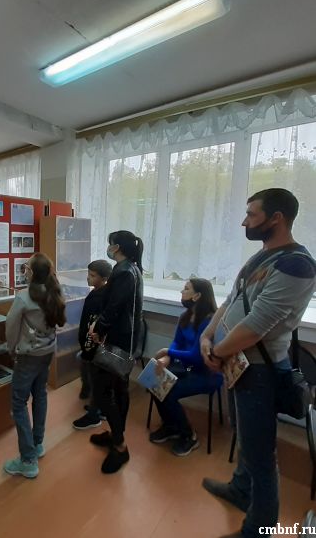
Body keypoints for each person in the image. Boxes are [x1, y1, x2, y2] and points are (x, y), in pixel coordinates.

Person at [199, 189, 316, 538]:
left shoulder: (297, 264)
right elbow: (230, 302)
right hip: (237, 364)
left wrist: (217, 353)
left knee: (262, 456)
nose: (244, 222)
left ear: (276, 218)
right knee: (245, 438)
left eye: (251, 214)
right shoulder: (260, 258)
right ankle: (240, 489)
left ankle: (258, 529)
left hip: (259, 371)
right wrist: (207, 336)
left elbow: (256, 326)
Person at [3, 253, 66, 479]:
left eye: (26, 267)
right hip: (47, 353)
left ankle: (28, 460)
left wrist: (11, 348)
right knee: (40, 395)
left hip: (28, 356)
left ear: (31, 272)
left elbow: (11, 327)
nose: (25, 270)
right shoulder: (55, 292)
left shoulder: (23, 297)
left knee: (18, 404)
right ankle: (37, 444)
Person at [89, 230, 144, 474]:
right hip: (126, 338)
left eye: (110, 244)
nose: (108, 247)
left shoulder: (123, 272)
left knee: (102, 390)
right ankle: (115, 434)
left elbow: (114, 307)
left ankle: (120, 446)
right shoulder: (131, 268)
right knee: (119, 388)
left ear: (117, 247)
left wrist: (98, 329)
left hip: (119, 339)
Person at [149, 278, 223, 456]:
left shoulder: (209, 321)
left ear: (197, 296)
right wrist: (168, 357)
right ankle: (171, 426)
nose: (181, 291)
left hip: (207, 373)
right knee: (154, 381)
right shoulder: (185, 316)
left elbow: (197, 357)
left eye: (186, 288)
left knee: (169, 392)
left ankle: (189, 436)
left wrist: (168, 352)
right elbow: (177, 342)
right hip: (187, 367)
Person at [73, 259, 113, 430]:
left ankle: (94, 415)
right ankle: (100, 408)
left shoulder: (102, 296)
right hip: (89, 343)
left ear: (104, 278)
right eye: (88, 274)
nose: (88, 278)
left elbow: (95, 324)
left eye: (92, 275)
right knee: (95, 376)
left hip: (93, 344)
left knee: (96, 379)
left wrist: (88, 346)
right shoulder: (97, 292)